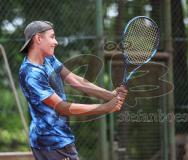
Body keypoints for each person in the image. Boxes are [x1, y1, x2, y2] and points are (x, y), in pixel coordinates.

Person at [18, 21, 127, 160]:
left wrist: (110, 94)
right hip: (50, 143)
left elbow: (75, 80)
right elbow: (61, 107)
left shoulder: (48, 59)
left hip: (60, 139)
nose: (56, 42)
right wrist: (105, 108)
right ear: (38, 38)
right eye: (52, 37)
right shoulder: (31, 73)